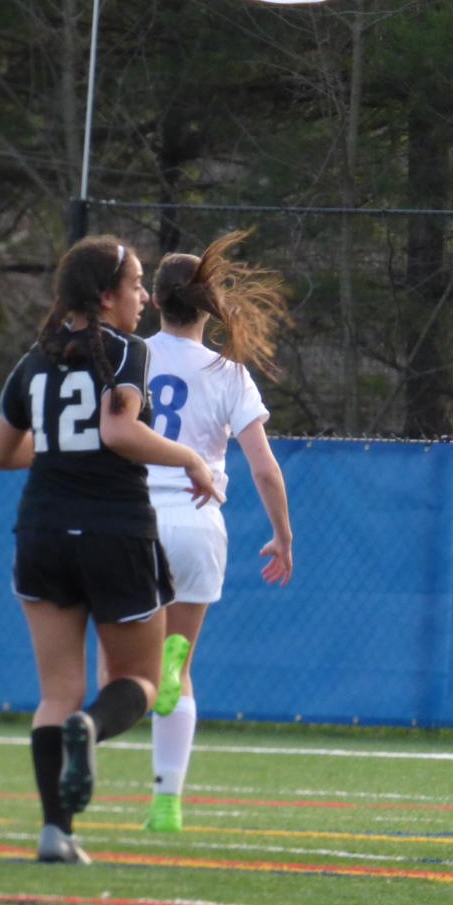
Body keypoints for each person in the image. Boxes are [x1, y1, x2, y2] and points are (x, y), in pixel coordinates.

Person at [0, 234, 219, 865]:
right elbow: (120, 431)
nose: (143, 297)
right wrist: (191, 457)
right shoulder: (126, 350)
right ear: (106, 295)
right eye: (137, 285)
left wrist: (63, 449)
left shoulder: (33, 360)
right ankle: (89, 730)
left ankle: (55, 832)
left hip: (41, 531)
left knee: (55, 693)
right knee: (141, 680)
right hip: (114, 529)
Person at [138, 231, 294, 834]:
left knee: (125, 660)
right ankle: (167, 804)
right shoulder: (230, 373)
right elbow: (263, 467)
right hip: (200, 522)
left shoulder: (131, 357)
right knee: (181, 666)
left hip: (134, 519)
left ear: (153, 303)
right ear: (209, 307)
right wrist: (282, 536)